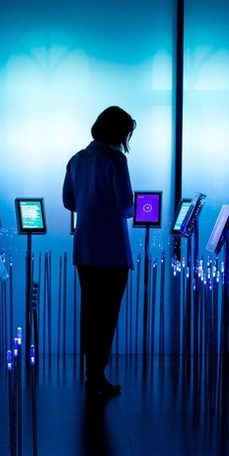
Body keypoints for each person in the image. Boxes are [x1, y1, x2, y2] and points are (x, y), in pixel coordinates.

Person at [62, 106, 135, 398]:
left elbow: (69, 201)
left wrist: (90, 206)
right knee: (109, 312)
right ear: (119, 132)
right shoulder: (116, 159)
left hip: (85, 247)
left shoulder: (76, 159)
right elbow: (126, 205)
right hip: (112, 250)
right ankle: (98, 373)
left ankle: (91, 373)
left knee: (90, 310)